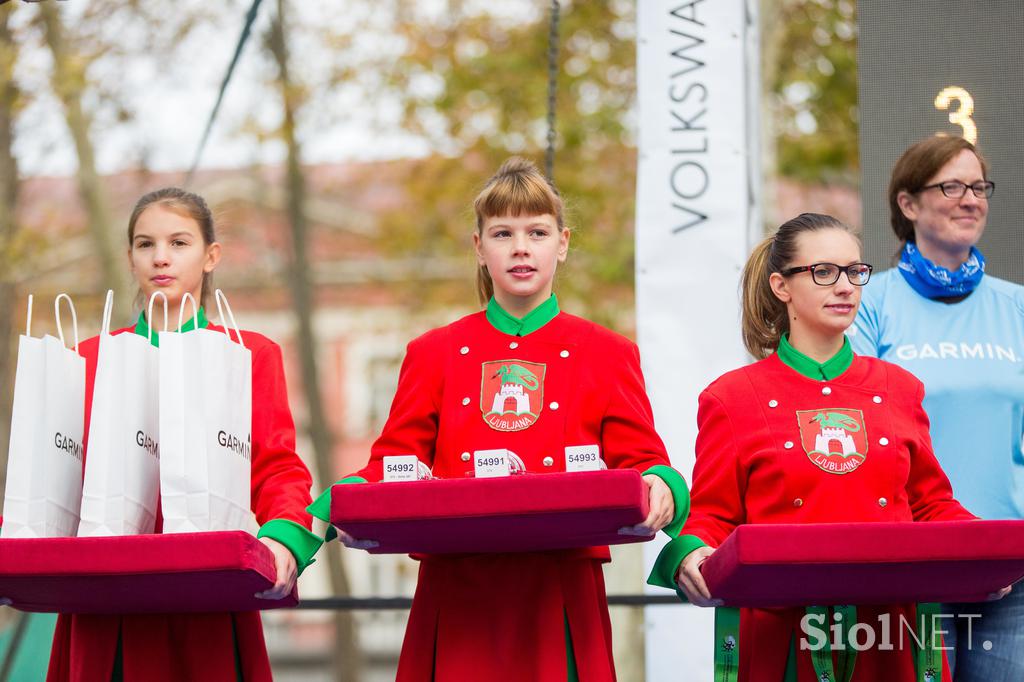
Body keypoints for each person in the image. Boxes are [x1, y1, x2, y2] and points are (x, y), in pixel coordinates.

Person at [308, 157, 689, 682]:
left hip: (561, 590)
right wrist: (300, 531)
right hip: (457, 586)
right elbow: (389, 469)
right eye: (502, 233)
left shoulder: (607, 351)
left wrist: (665, 490)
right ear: (479, 247)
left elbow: (649, 462)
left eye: (537, 231)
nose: (520, 247)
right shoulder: (432, 352)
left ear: (563, 242)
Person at [648, 213, 990, 681]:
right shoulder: (730, 398)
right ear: (781, 286)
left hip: (891, 634)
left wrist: (989, 549)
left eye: (855, 271)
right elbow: (714, 516)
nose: (846, 286)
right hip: (783, 639)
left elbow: (931, 504)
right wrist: (688, 553)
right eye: (824, 272)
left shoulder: (900, 387)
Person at [46, 187, 322, 682]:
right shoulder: (88, 357)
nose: (160, 258)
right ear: (130, 257)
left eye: (178, 242)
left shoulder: (248, 355)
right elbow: (60, 469)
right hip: (106, 600)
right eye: (145, 244)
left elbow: (277, 466)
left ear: (210, 255)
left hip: (209, 593)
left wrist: (283, 541)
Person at [851, 136, 1024, 681]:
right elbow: (859, 426)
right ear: (908, 204)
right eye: (951, 186)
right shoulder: (866, 304)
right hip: (911, 563)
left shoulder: (1016, 307)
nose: (969, 199)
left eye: (978, 187)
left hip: (1009, 562)